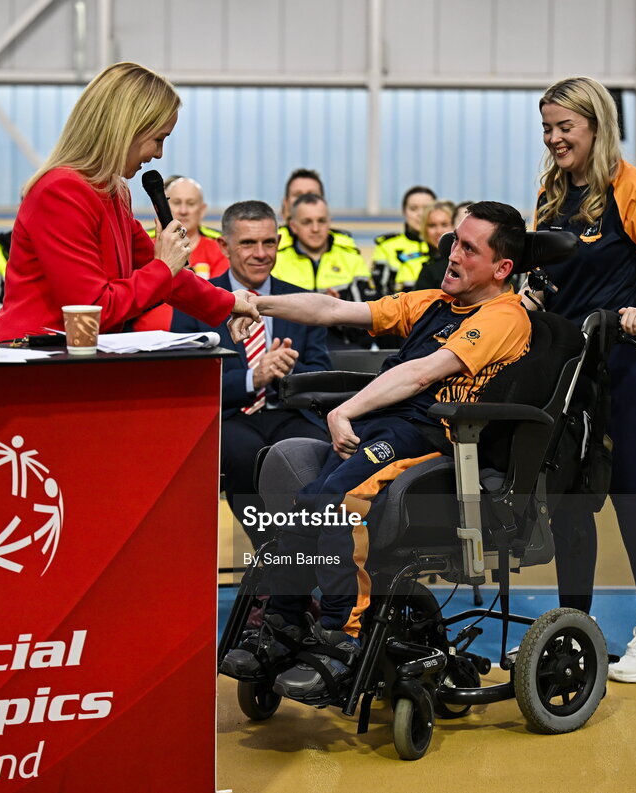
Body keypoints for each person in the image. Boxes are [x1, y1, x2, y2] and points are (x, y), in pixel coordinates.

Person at [222, 202, 531, 701]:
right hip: (390, 426)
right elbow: (330, 309)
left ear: (502, 269)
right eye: (454, 241)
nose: (452, 254)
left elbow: (421, 373)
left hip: (436, 439)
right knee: (305, 502)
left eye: (468, 249)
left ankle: (341, 638)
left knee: (334, 503)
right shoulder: (435, 301)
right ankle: (283, 624)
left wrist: (345, 411)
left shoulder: (503, 317)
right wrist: (253, 305)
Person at [526, 76, 636, 684]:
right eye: (547, 127)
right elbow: (546, 277)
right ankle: (574, 630)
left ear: (595, 124)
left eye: (564, 126)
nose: (554, 137)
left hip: (625, 358)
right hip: (569, 365)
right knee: (570, 501)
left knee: (630, 493)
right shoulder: (550, 190)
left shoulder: (630, 184)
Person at [0, 62, 258, 343]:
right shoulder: (61, 191)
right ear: (127, 129)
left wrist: (227, 302)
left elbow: (160, 272)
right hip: (28, 361)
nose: (160, 154)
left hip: (66, 359)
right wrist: (164, 266)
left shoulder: (112, 192)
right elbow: (93, 310)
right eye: (158, 139)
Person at [170, 200, 332, 547]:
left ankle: (287, 568)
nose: (261, 253)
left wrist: (285, 371)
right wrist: (252, 378)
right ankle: (277, 564)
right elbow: (188, 382)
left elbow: (322, 377)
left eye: (269, 242)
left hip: (291, 413)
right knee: (245, 454)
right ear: (224, 246)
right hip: (230, 417)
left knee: (314, 451)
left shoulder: (303, 301)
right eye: (248, 243)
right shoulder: (195, 300)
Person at [274, 193, 373, 348]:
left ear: (329, 222)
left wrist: (338, 308)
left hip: (344, 350)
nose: (315, 229)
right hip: (291, 348)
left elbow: (369, 321)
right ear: (293, 226)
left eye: (321, 221)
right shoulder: (277, 261)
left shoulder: (351, 258)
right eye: (307, 222)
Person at [134, 175, 230, 331]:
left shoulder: (218, 247)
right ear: (162, 205)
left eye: (190, 204)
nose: (183, 211)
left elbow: (220, 294)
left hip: (203, 335)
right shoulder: (145, 244)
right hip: (147, 339)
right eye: (177, 203)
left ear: (202, 210)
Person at [373, 185, 436, 295]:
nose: (420, 214)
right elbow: (379, 291)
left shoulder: (447, 244)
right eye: (413, 208)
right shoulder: (387, 246)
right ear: (404, 211)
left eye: (426, 209)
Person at [412, 199, 458, 290]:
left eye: (444, 224)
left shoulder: (466, 262)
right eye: (432, 225)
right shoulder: (428, 266)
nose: (438, 231)